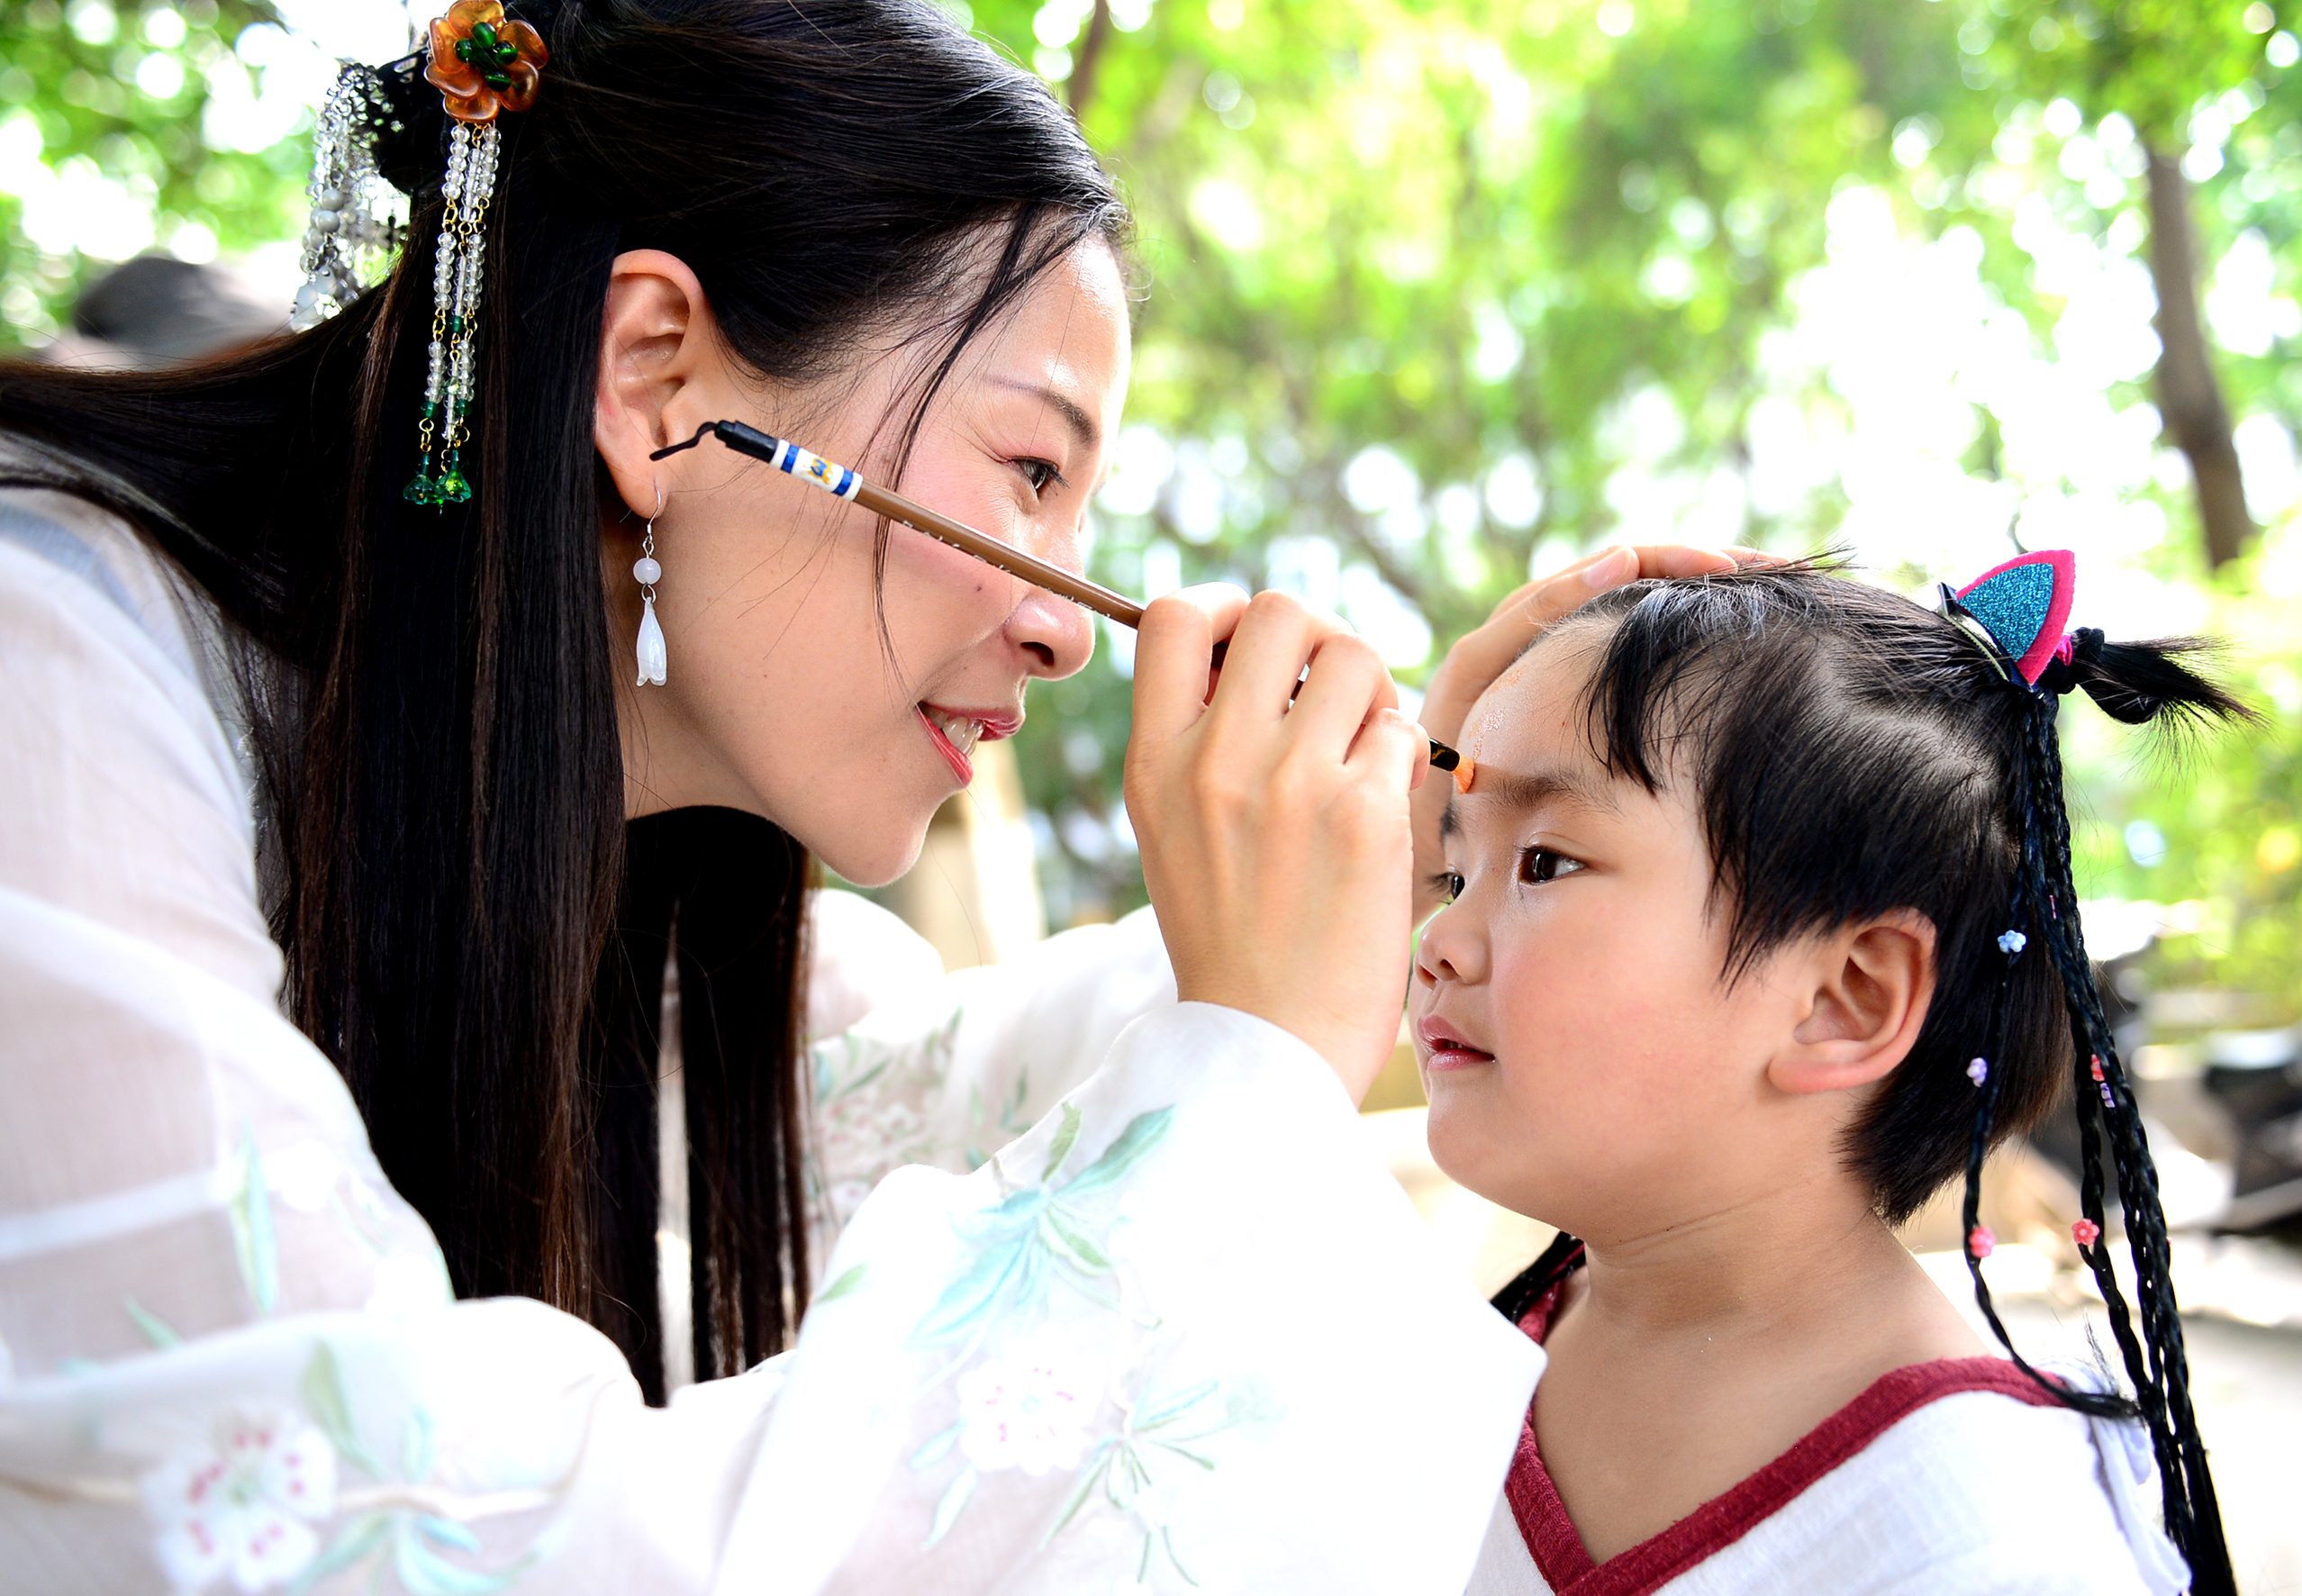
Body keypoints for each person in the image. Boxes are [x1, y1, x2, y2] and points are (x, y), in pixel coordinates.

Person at [0, 1, 1740, 1588]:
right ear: (657, 380)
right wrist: (1247, 1093)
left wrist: (1426, 831)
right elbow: (395, 1534)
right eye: (1030, 467)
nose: (1067, 623)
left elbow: (933, 1095)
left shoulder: (600, 870)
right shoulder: (49, 684)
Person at [1409, 558, 2245, 1595]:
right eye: (1450, 873)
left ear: (1845, 996)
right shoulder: (1483, 1343)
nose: (1436, 936)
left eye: (1544, 860)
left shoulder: (1993, 1542)